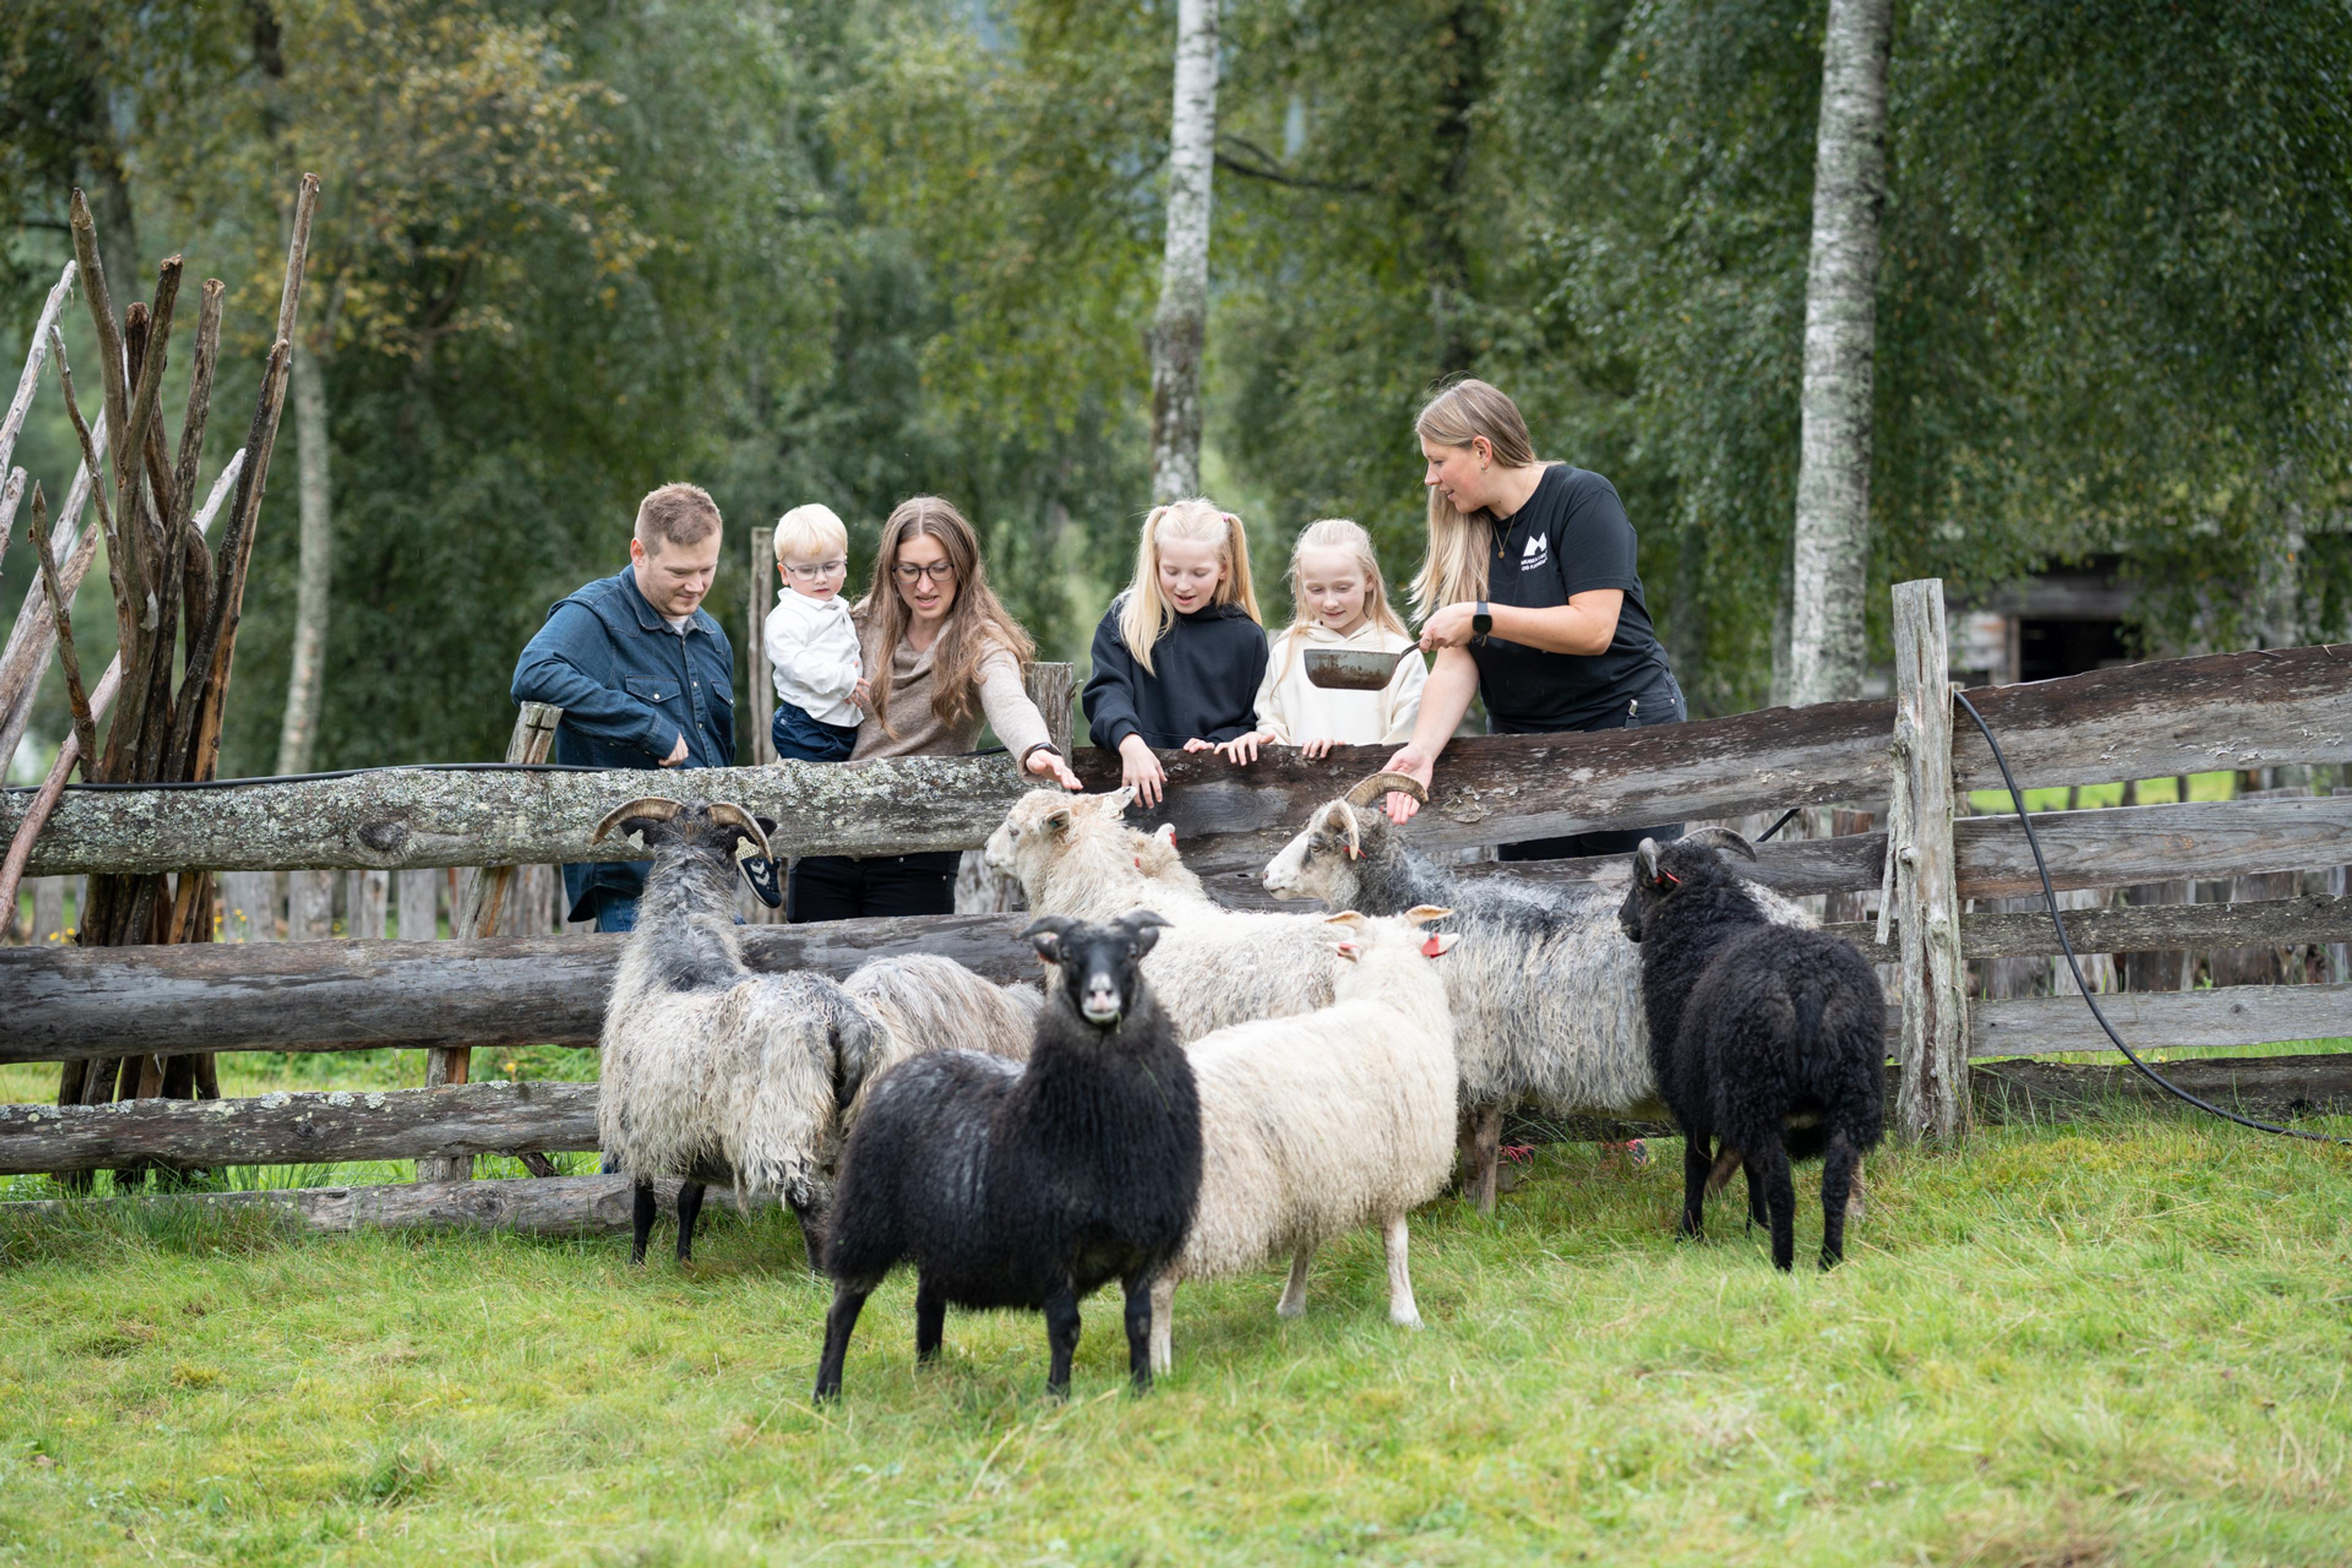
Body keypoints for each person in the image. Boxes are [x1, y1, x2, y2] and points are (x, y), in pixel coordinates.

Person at [1379, 378, 1686, 859]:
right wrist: (1422, 750)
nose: (1430, 478)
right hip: (1523, 753)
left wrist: (1483, 617)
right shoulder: (1464, 527)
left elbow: (1594, 629)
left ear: (1482, 450)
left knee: (1629, 910)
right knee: (1535, 917)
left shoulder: (1583, 498)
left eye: (1438, 461)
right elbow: (1459, 662)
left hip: (1621, 731)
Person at [786, 496, 1084, 922]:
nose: (924, 586)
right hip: (826, 844)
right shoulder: (855, 626)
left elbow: (1007, 697)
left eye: (939, 568)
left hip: (916, 850)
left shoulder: (980, 642)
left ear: (962, 566)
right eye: (910, 571)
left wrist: (1035, 745)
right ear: (892, 571)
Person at [513, 481, 735, 932]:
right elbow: (534, 674)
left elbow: (720, 760)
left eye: (707, 570)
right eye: (679, 572)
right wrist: (647, 725)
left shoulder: (712, 636)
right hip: (631, 883)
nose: (696, 586)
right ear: (639, 553)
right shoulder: (597, 616)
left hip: (709, 880)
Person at [1082, 497, 1267, 809]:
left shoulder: (1246, 637)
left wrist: (1217, 744)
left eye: (1198, 573)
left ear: (1223, 569)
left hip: (1217, 802)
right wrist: (1130, 742)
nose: (1184, 585)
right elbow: (1106, 692)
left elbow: (1253, 719)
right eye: (1172, 571)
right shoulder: (1127, 619)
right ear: (1155, 563)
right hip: (1131, 797)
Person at [1216, 516, 1427, 765]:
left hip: (1379, 793)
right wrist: (1274, 747)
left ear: (1369, 579)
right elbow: (1273, 729)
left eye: (1342, 588)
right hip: (1301, 795)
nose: (1330, 602)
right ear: (1301, 583)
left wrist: (1347, 757)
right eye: (1316, 590)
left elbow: (1411, 736)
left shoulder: (1400, 653)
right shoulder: (1287, 652)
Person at [762, 502, 862, 762]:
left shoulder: (837, 606)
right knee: (805, 794)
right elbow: (796, 665)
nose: (820, 578)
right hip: (806, 726)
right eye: (807, 570)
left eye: (831, 567)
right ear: (785, 573)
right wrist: (843, 679)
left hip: (843, 725)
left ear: (845, 563)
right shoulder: (788, 617)